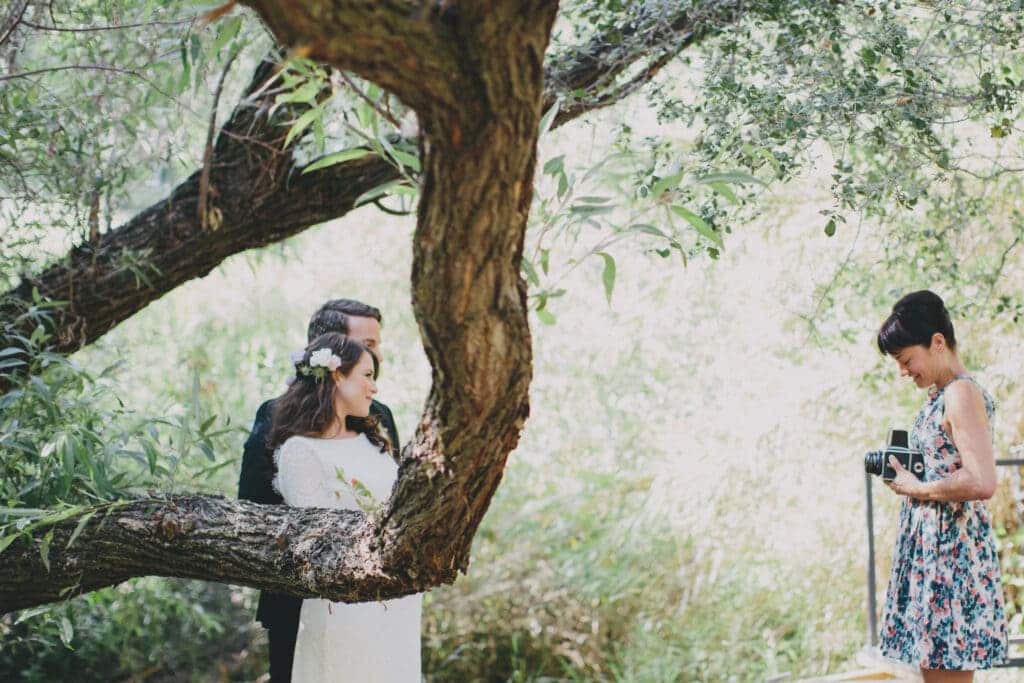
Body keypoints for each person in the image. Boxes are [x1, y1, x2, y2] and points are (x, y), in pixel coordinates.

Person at [237, 299, 400, 682]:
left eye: (376, 344)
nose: (373, 354)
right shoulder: (275, 416)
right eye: (365, 344)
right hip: (297, 598)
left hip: (377, 599)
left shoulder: (380, 417)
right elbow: (253, 503)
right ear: (327, 350)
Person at [266, 332, 421, 681]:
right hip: (343, 605)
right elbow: (318, 541)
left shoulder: (370, 441)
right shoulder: (301, 451)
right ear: (336, 375)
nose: (374, 388)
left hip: (397, 600)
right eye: (367, 376)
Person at [876, 290, 1007, 681]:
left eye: (906, 360)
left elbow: (981, 480)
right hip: (935, 553)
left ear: (937, 342)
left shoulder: (960, 392)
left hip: (951, 556)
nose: (903, 371)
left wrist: (915, 487)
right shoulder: (942, 394)